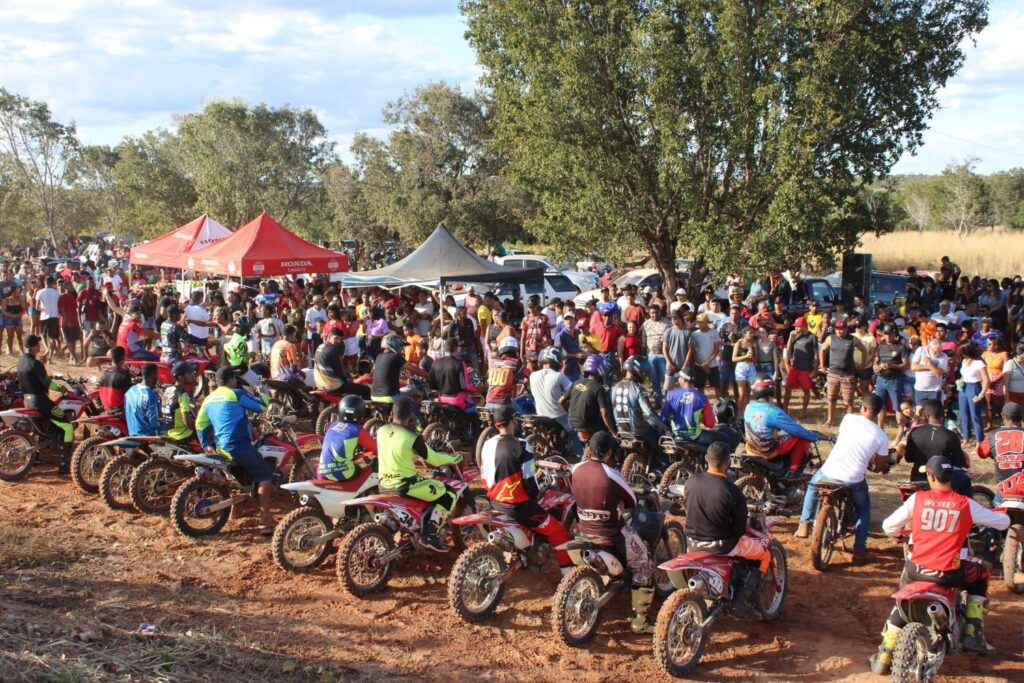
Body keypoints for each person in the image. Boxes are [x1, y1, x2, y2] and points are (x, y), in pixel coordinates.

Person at [868, 456, 1009, 674]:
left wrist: (900, 536)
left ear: (931, 476)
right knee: (980, 575)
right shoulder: (965, 504)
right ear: (949, 477)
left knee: (901, 601)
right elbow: (1003, 522)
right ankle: (973, 631)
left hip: (915, 571)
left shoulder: (917, 499)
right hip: (948, 574)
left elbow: (888, 525)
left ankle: (884, 655)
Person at [571, 430, 655, 633]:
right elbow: (632, 502)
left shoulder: (576, 468)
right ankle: (640, 620)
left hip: (583, 529)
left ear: (589, 449)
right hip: (610, 532)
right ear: (608, 453)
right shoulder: (612, 474)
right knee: (643, 562)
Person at [796, 394, 889, 563]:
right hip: (854, 480)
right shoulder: (881, 436)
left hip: (829, 472)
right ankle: (859, 550)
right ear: (878, 413)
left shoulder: (848, 419)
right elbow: (882, 465)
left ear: (863, 408)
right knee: (864, 511)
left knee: (812, 486)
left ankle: (804, 524)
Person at [479, 405, 572, 571]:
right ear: (513, 421)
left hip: (494, 502)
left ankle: (525, 550)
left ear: (496, 424)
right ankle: (569, 575)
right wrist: (538, 492)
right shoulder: (522, 445)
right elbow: (531, 484)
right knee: (560, 533)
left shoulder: (487, 445)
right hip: (518, 507)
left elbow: (485, 476)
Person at [377, 396, 464, 551]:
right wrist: (454, 457)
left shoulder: (381, 431)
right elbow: (435, 460)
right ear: (409, 415)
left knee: (428, 485)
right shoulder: (411, 437)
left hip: (383, 483)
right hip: (404, 484)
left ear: (392, 414)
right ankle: (429, 535)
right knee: (448, 493)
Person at [196, 366, 276, 531]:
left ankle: (235, 511)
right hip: (238, 445)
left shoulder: (208, 398)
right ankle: (266, 517)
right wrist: (263, 392)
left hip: (220, 447)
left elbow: (200, 424)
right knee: (265, 476)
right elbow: (262, 407)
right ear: (231, 380)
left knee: (238, 476)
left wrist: (205, 444)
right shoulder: (235, 393)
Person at [683, 441, 772, 580]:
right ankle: (751, 591)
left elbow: (686, 509)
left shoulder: (690, 481)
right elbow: (739, 530)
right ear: (728, 463)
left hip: (691, 543)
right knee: (765, 554)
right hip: (721, 547)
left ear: (706, 458)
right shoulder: (733, 491)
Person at [744, 373, 819, 475]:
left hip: (751, 448)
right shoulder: (774, 411)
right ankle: (793, 471)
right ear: (771, 389)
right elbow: (795, 429)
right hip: (767, 451)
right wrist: (813, 436)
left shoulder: (748, 407)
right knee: (801, 437)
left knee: (779, 435)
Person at [17, 334, 72, 473]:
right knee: (67, 425)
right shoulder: (36, 364)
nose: (40, 346)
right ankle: (64, 463)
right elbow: (47, 383)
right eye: (38, 344)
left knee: (46, 426)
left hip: (27, 400)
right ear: (34, 346)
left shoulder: (22, 360)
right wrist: (61, 388)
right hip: (41, 402)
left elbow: (32, 374)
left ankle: (37, 456)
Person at [661, 365, 739, 451]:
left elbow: (663, 418)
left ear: (684, 380)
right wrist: (700, 419)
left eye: (679, 378)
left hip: (676, 436)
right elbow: (710, 424)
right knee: (726, 438)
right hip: (696, 436)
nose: (678, 379)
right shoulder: (702, 397)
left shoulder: (671, 394)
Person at [610, 356, 669, 454]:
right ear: (637, 369)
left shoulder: (614, 388)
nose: (644, 373)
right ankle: (662, 465)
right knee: (662, 444)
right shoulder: (638, 390)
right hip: (638, 431)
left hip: (621, 430)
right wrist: (664, 427)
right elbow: (649, 413)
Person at [819, 320, 870, 427]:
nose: (839, 331)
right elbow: (822, 350)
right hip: (833, 374)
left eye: (842, 329)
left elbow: (864, 350)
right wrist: (822, 366)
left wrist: (862, 365)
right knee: (831, 398)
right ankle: (830, 420)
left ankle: (849, 423)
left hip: (848, 375)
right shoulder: (830, 338)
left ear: (846, 329)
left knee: (848, 401)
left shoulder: (853, 339)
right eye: (837, 329)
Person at [902, 399, 967, 481]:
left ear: (926, 415)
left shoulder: (914, 432)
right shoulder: (951, 436)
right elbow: (958, 463)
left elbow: (908, 458)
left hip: (917, 478)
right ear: (943, 414)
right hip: (941, 481)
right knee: (965, 481)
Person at [318, 395, 378, 481]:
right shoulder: (357, 429)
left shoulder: (333, 425)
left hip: (322, 471)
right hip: (343, 473)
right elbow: (376, 449)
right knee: (373, 460)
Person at [977, 402, 1024, 507]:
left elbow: (981, 453)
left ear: (1003, 417)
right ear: (1021, 418)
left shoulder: (992, 435)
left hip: (1004, 491)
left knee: (996, 518)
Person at [565, 354, 617, 443]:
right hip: (588, 426)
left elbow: (561, 401)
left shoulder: (576, 383)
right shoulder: (598, 388)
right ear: (601, 370)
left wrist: (570, 412)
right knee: (608, 433)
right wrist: (614, 433)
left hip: (572, 422)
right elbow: (604, 413)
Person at [314, 327, 372, 399]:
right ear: (329, 336)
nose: (338, 341)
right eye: (336, 338)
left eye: (340, 339)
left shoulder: (320, 346)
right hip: (332, 385)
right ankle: (366, 410)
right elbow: (339, 370)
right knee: (366, 390)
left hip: (319, 384)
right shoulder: (333, 349)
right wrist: (346, 381)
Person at [370, 332, 427, 404]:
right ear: (393, 345)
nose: (401, 349)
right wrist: (429, 376)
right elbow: (415, 370)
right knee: (415, 391)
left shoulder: (378, 357)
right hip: (390, 397)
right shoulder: (395, 356)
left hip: (374, 396)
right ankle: (412, 414)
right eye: (400, 346)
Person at [429, 337, 481, 412]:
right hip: (456, 399)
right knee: (474, 407)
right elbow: (465, 386)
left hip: (441, 399)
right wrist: (476, 389)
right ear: (456, 349)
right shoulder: (460, 363)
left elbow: (432, 385)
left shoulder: (435, 364)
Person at [874, 323, 910, 427]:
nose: (888, 336)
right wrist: (875, 367)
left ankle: (901, 431)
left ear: (895, 334)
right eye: (886, 334)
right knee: (880, 406)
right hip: (881, 379)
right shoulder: (881, 347)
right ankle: (880, 428)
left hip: (894, 380)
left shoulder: (901, 347)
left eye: (890, 333)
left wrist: (892, 366)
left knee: (898, 407)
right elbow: (875, 362)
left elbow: (906, 365)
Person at [783, 317, 817, 416]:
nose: (796, 328)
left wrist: (815, 368)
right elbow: (789, 349)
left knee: (806, 389)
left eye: (798, 326)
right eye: (796, 327)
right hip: (795, 367)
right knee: (788, 387)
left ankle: (804, 411)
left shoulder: (812, 337)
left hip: (806, 368)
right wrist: (790, 336)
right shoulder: (796, 336)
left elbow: (815, 354)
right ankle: (785, 409)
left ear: (804, 325)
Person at [161, 361, 198, 443]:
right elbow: (188, 422)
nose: (193, 374)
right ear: (181, 377)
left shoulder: (168, 390)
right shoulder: (182, 394)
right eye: (189, 373)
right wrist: (201, 427)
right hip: (183, 435)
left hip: (170, 433)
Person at [125, 363, 164, 437]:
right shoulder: (150, 395)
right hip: (146, 434)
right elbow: (154, 424)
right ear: (152, 376)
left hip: (132, 432)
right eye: (157, 374)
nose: (157, 377)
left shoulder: (130, 391)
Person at [484, 336, 522, 410]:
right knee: (521, 414)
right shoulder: (515, 363)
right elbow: (529, 375)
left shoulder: (492, 361)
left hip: (489, 402)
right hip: (504, 404)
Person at [98, 345, 133, 412]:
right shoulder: (124, 375)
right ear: (122, 358)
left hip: (106, 408)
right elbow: (129, 396)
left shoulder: (104, 373)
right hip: (120, 409)